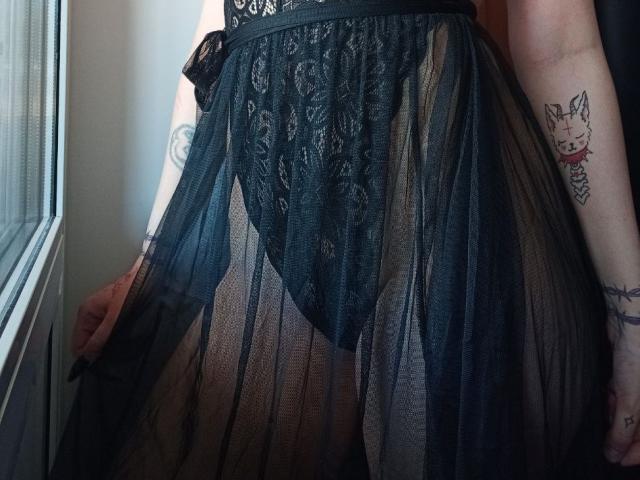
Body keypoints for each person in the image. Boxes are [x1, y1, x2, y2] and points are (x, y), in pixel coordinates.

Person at [50, 0, 640, 478]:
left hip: (439, 177)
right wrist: (155, 260)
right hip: (270, 183)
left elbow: (561, 42)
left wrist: (632, 320)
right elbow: (216, 32)